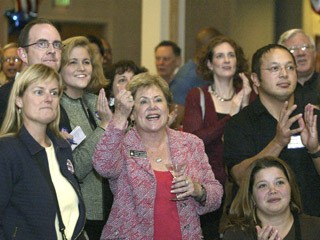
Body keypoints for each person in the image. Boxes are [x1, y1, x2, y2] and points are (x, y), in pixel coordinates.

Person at [93, 72, 223, 239]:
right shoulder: (121, 145)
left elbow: (216, 195)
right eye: (143, 101)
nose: (152, 106)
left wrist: (198, 190)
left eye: (158, 100)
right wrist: (119, 118)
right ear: (132, 113)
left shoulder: (191, 144)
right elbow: (103, 166)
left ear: (167, 108)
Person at [223, 43, 320, 217]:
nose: (284, 74)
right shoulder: (240, 124)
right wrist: (278, 142)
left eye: (290, 67)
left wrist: (315, 150)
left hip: (312, 223)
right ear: (255, 79)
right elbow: (239, 177)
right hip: (261, 227)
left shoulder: (312, 116)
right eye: (275, 68)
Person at [0, 64, 86, 239]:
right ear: (19, 100)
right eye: (39, 92)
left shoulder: (62, 148)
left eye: (54, 93)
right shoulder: (7, 150)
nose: (49, 98)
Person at [183, 35, 254, 239]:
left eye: (231, 55)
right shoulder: (197, 96)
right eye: (220, 56)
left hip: (243, 186)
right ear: (209, 63)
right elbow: (193, 141)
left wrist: (247, 103)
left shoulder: (249, 94)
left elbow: (252, 139)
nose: (226, 60)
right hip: (207, 186)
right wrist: (230, 116)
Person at [59, 36, 111, 240]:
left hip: (109, 212)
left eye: (86, 62)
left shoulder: (98, 102)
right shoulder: (53, 109)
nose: (82, 68)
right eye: (73, 62)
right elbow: (75, 169)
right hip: (78, 216)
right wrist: (105, 127)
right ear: (59, 67)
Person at [222, 156, 320, 240]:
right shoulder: (236, 235)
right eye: (263, 185)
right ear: (251, 195)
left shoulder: (315, 228)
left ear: (291, 188)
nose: (273, 190)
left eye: (279, 182)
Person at [0, 18, 62, 126]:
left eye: (57, 44)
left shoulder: (61, 98)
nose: (52, 50)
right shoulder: (4, 97)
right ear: (23, 54)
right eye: (42, 44)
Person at [169, 27, 222, 129]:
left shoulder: (210, 72)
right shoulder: (185, 79)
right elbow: (175, 124)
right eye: (218, 50)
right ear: (206, 49)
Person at [278, 29, 320, 105]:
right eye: (293, 49)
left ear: (315, 53)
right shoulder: (276, 89)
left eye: (305, 47)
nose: (300, 53)